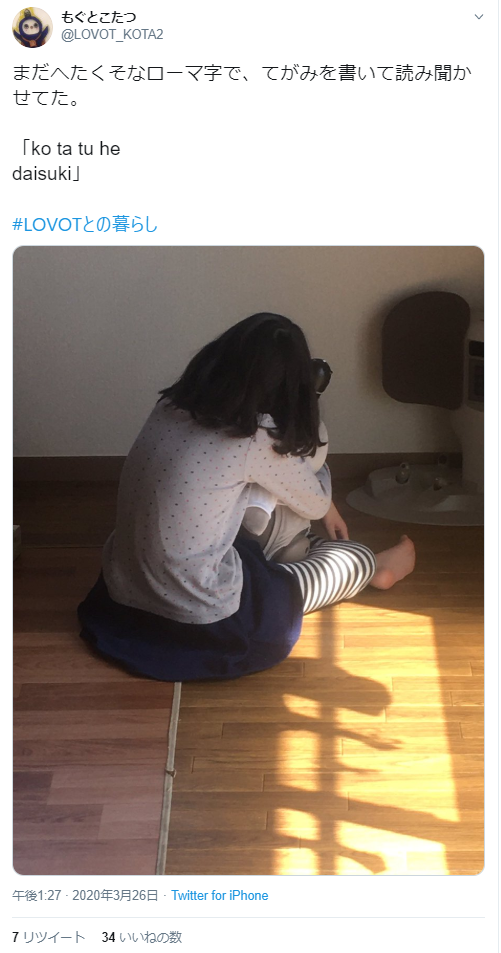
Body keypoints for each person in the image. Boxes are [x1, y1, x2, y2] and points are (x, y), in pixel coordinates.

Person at [78, 312, 415, 681]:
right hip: (202, 616)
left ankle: (298, 557)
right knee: (345, 557)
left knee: (264, 511)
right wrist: (312, 438)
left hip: (123, 595)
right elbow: (315, 499)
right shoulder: (254, 438)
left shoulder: (171, 408)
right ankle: (371, 566)